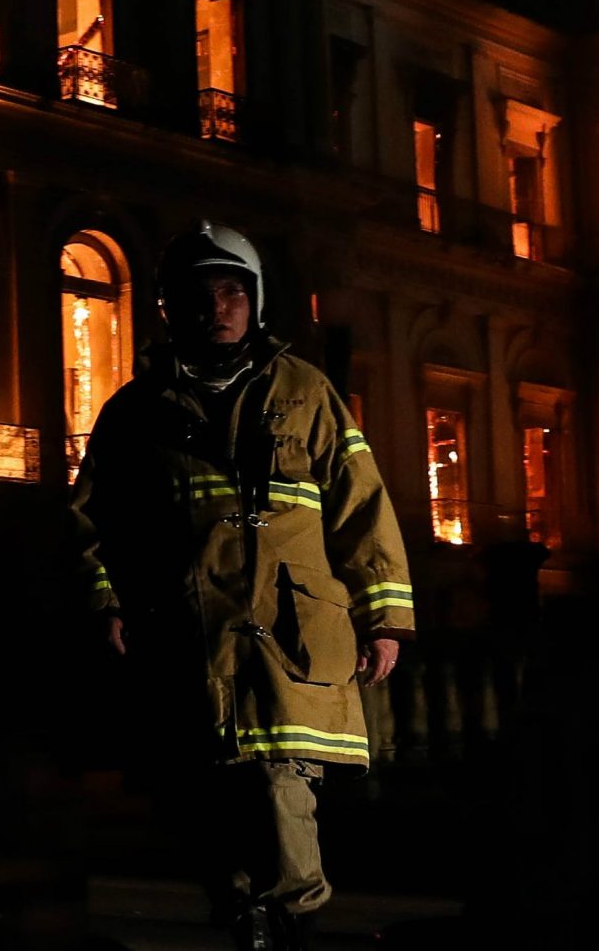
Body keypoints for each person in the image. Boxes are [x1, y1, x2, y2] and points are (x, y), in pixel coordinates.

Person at [70, 222, 413, 951]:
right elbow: (92, 520)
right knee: (205, 789)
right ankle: (248, 918)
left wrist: (384, 616)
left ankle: (289, 918)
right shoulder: (134, 411)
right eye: (201, 295)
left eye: (233, 291)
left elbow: (361, 503)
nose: (218, 307)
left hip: (290, 632)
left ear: (255, 301)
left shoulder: (306, 393)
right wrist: (105, 601)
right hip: (189, 632)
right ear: (169, 307)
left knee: (281, 778)